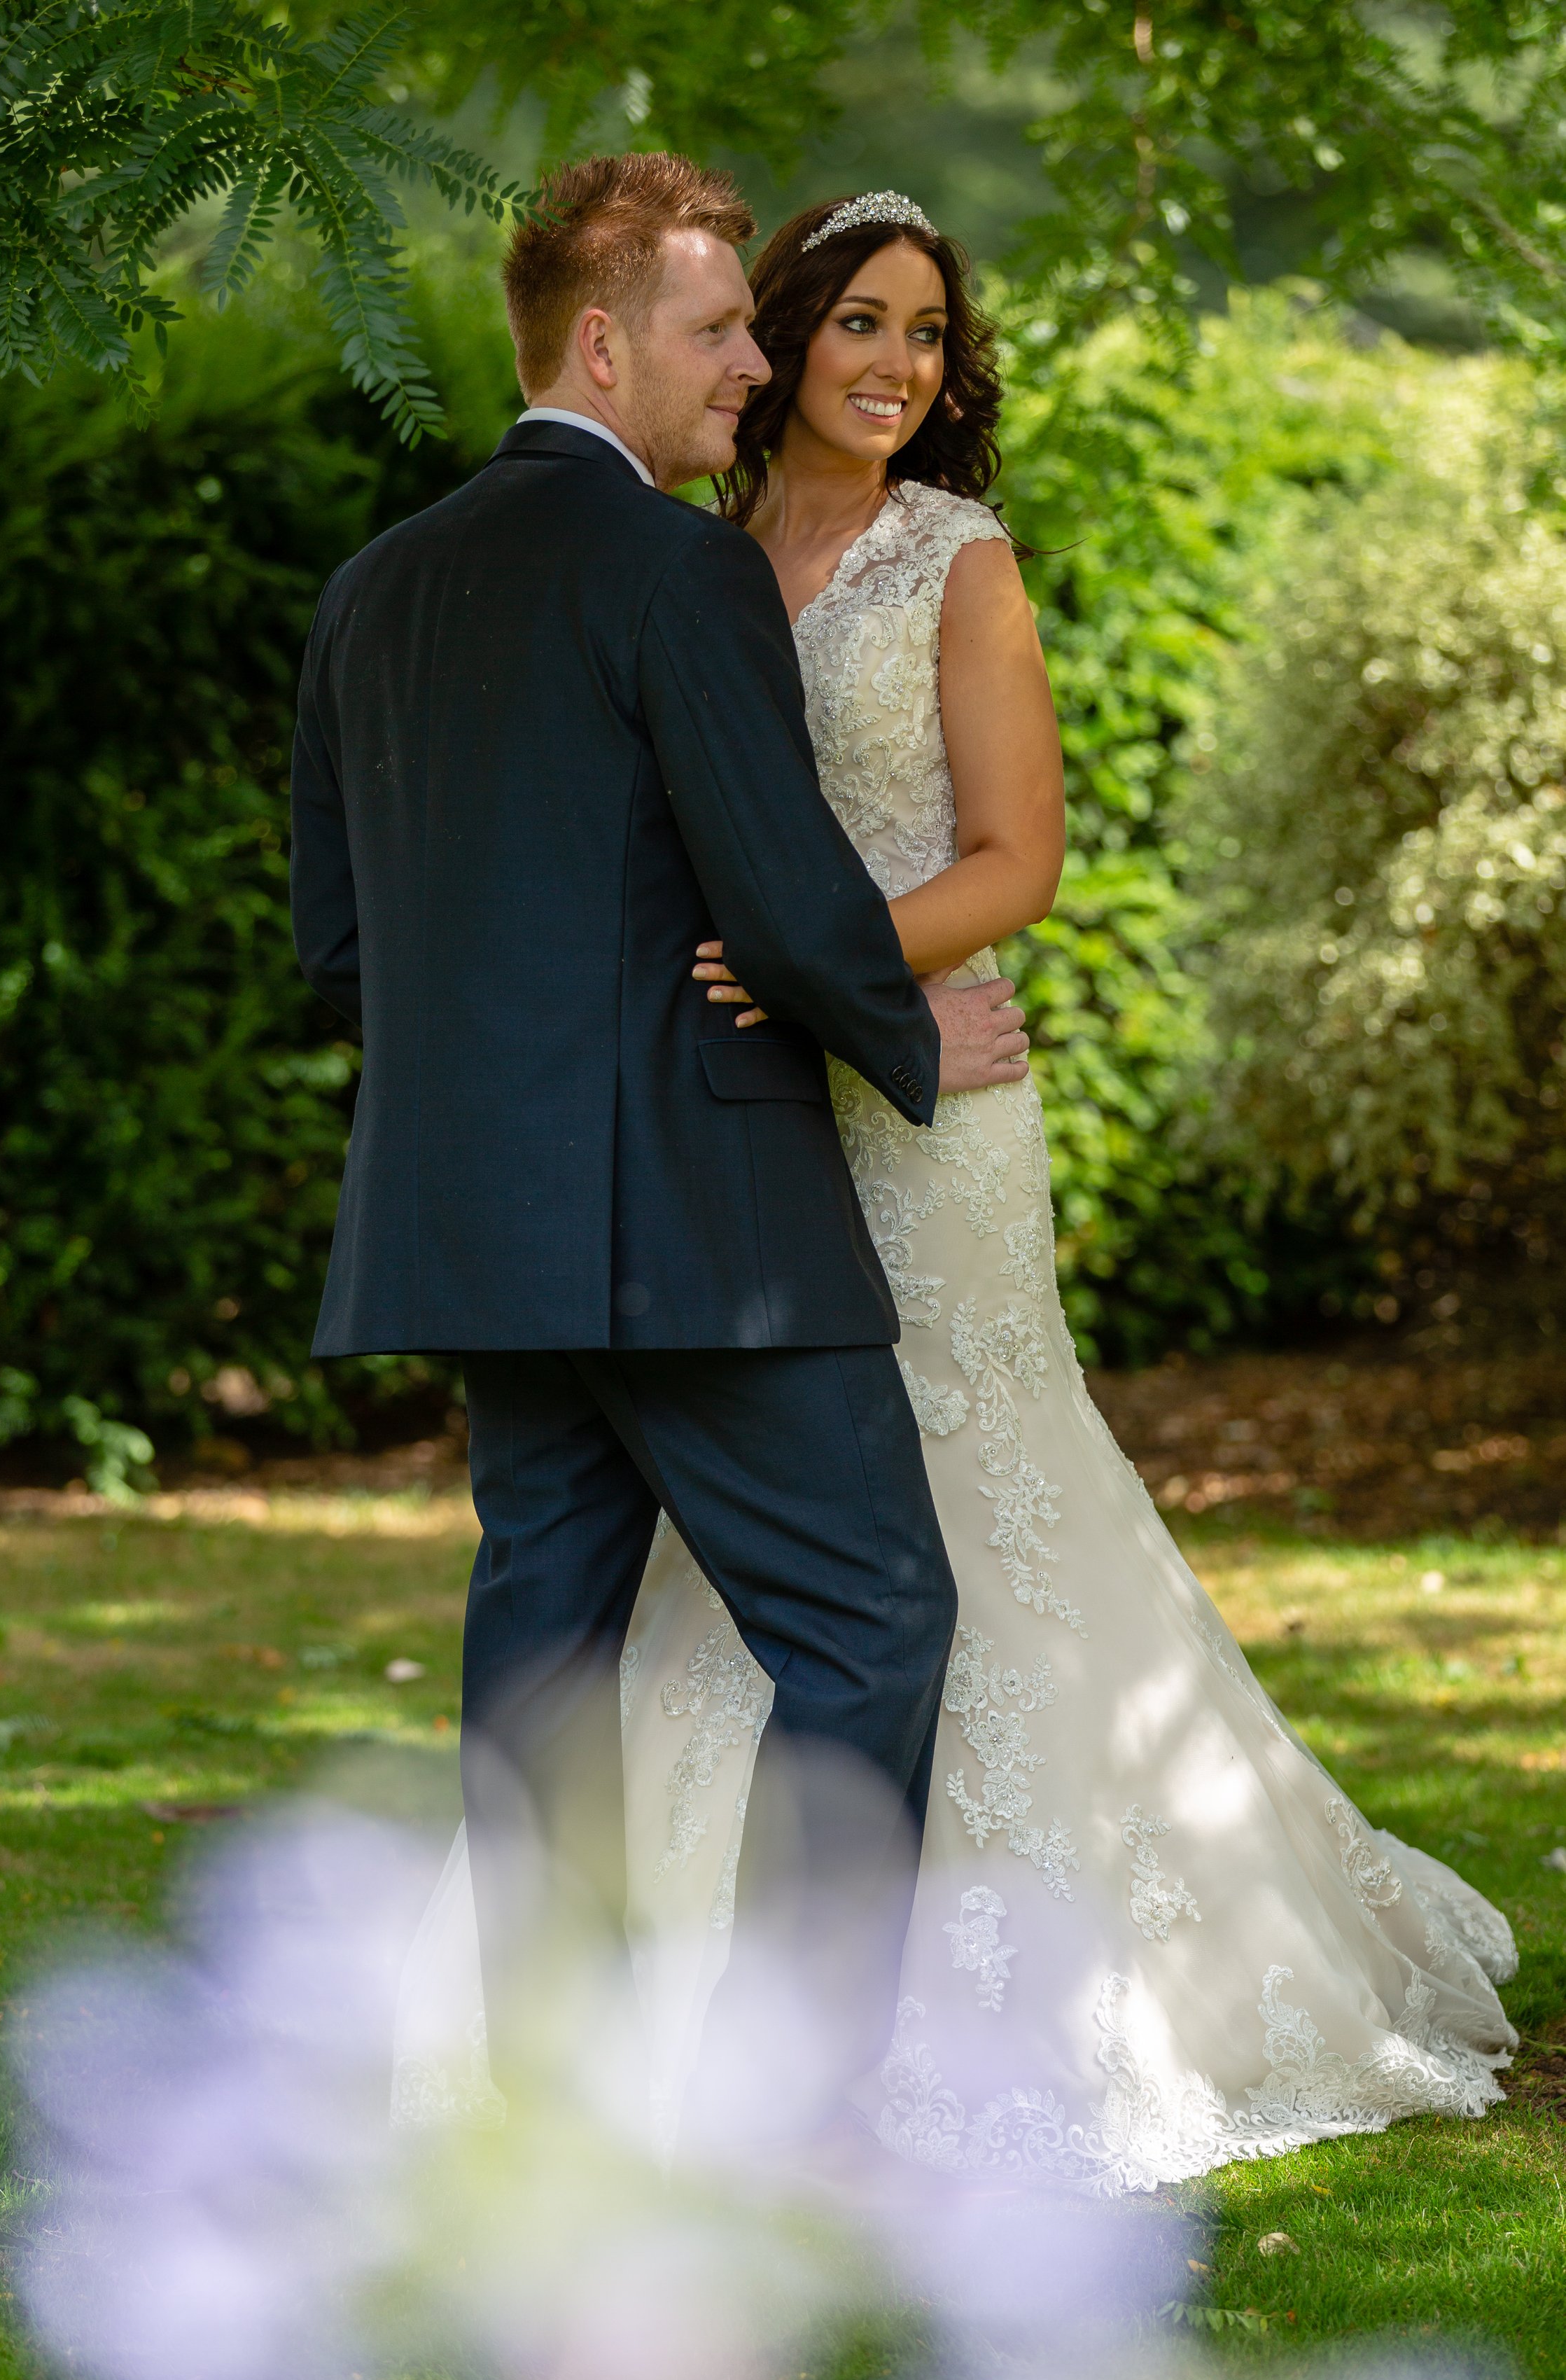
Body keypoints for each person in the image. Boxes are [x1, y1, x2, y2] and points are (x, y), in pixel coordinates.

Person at [615, 191, 1520, 2187]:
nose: (895, 364)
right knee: (756, 1497)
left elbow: (1016, 861)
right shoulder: (678, 566)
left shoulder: (959, 559)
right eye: (857, 320)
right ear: (772, 340)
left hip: (931, 1100)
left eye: (927, 335)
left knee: (972, 1478)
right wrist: (765, 1008)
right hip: (749, 1109)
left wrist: (836, 984)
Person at [289, 153, 1031, 2155]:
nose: (753, 361)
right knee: (871, 1619)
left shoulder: (376, 586)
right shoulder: (674, 565)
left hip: (476, 1230)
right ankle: (786, 2113)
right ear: (602, 342)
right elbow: (783, 906)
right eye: (719, 330)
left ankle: (540, 2101)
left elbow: (343, 951)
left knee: (541, 1651)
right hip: (707, 1222)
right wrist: (912, 1031)